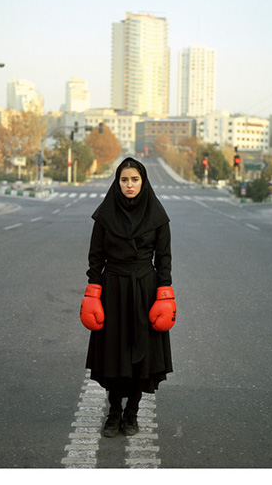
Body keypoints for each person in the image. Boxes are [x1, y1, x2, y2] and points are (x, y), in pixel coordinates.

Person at [80, 157, 176, 438]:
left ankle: (132, 413)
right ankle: (113, 414)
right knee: (114, 352)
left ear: (143, 181)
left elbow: (165, 259)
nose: (129, 185)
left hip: (145, 290)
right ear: (117, 182)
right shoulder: (105, 215)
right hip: (113, 289)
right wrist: (92, 291)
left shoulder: (157, 215)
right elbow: (95, 257)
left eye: (134, 180)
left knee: (140, 355)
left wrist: (164, 293)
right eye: (124, 180)